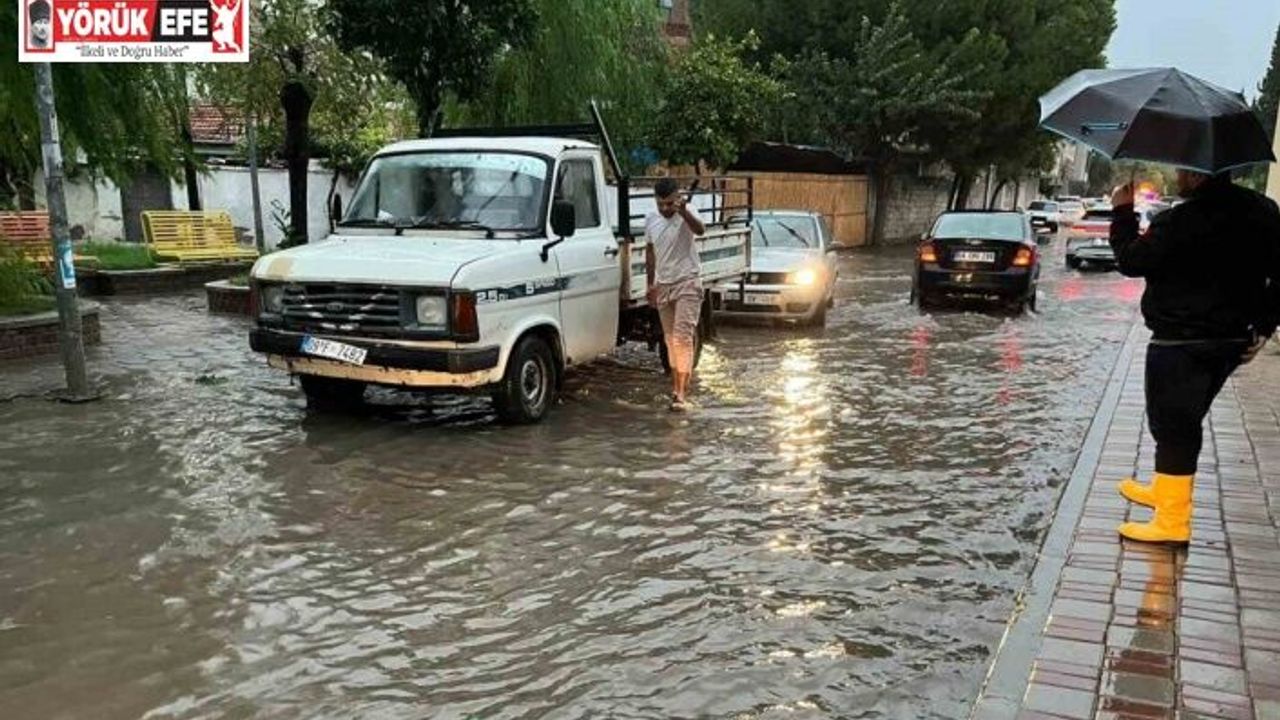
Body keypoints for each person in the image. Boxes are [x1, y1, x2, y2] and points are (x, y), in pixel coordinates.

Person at [1109, 170, 1280, 544]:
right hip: (1232, 339)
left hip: (1180, 342)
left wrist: (1122, 211)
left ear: (1198, 173)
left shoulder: (1179, 220)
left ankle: (1172, 522)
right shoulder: (1264, 212)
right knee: (1184, 419)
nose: (1178, 175)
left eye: (1184, 170)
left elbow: (1131, 260)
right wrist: (1265, 326)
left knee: (1173, 426)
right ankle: (1168, 487)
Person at [645, 178, 706, 412]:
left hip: (688, 281)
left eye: (669, 204)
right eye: (660, 204)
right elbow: (650, 251)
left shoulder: (687, 213)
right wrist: (650, 284)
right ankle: (675, 386)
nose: (665, 209)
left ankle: (681, 395)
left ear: (677, 199)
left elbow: (700, 230)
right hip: (664, 284)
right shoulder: (651, 219)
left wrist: (684, 212)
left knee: (682, 338)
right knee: (669, 340)